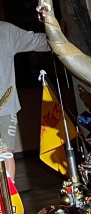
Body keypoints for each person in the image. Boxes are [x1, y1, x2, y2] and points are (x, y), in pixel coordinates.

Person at [0, 20, 49, 179]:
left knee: (5, 153)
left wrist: (60, 36)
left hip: (4, 107)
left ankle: (9, 192)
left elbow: (40, 41)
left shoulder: (5, 31)